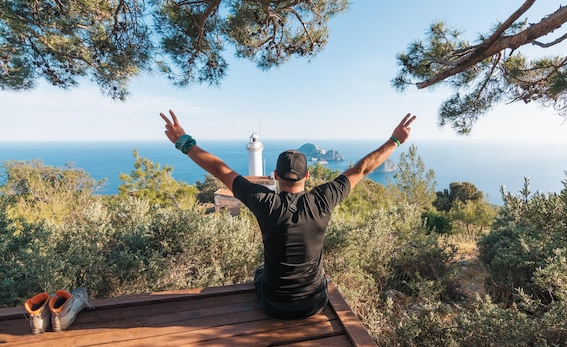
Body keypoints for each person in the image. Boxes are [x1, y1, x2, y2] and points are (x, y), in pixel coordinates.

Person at [160, 109, 415, 319]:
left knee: (260, 271)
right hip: (314, 303)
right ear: (307, 176)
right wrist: (395, 140)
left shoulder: (264, 202)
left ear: (274, 176)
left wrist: (185, 142)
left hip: (273, 305)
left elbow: (221, 171)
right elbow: (362, 169)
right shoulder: (323, 200)